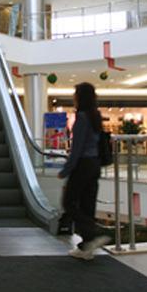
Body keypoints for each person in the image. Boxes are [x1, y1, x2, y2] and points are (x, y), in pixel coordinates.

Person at [58, 83, 109, 260]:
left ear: (80, 96)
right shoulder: (95, 115)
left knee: (69, 203)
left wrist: (66, 170)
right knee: (87, 205)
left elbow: (77, 148)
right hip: (95, 164)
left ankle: (94, 233)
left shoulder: (82, 117)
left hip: (83, 165)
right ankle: (86, 247)